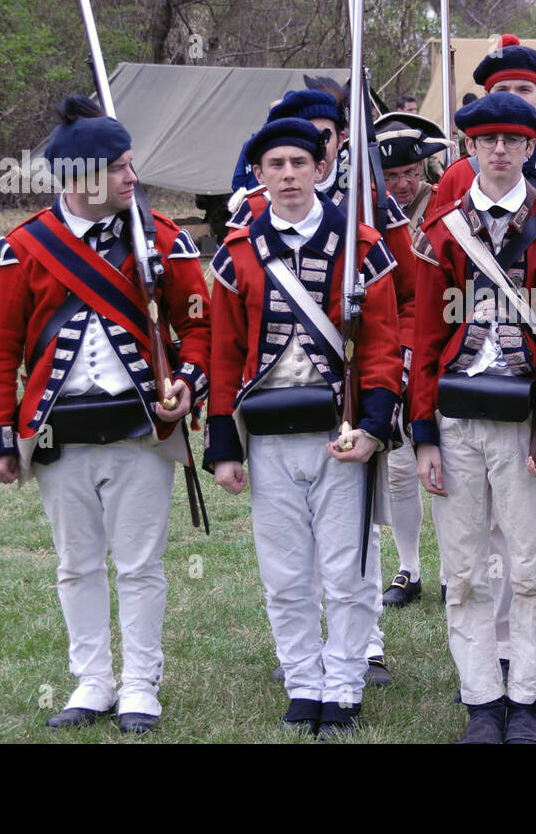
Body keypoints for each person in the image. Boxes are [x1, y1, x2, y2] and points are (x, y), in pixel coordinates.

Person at [0, 97, 211, 734]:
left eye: (131, 165)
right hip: (59, 433)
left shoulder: (161, 236)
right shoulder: (21, 247)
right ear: (79, 177)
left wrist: (187, 382)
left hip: (141, 432)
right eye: (118, 167)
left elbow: (200, 326)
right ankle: (91, 681)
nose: (132, 177)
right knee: (76, 565)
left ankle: (139, 683)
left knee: (139, 565)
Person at [204, 117, 402, 738]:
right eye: (275, 165)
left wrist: (373, 426)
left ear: (322, 168)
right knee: (286, 572)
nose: (288, 175)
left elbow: (381, 347)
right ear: (258, 176)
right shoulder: (236, 255)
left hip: (339, 433)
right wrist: (223, 445)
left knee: (348, 569)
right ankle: (301, 679)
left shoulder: (362, 246)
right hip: (267, 437)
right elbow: (224, 355)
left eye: (299, 163)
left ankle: (343, 683)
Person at [409, 92, 536, 743]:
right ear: (468, 149)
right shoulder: (442, 233)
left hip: (528, 420)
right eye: (485, 140)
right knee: (463, 570)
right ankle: (481, 699)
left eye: (511, 140)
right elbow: (425, 339)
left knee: (532, 566)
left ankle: (528, 696)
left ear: (529, 149)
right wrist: (424, 435)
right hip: (458, 417)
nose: (497, 151)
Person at [374, 112, 450, 606]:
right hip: (393, 347)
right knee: (400, 467)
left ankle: (452, 567)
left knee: (447, 466)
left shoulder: (446, 207)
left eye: (409, 174)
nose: (402, 184)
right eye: (392, 176)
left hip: (441, 349)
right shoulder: (370, 214)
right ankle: (408, 567)